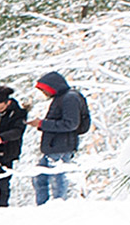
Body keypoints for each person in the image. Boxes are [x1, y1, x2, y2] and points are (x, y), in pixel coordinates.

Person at [32, 70, 91, 202]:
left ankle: (58, 205)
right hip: (54, 146)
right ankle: (44, 206)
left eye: (44, 90)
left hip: (62, 146)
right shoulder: (63, 98)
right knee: (40, 176)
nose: (44, 94)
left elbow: (70, 124)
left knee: (58, 178)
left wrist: (43, 124)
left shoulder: (69, 98)